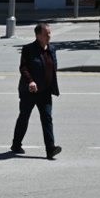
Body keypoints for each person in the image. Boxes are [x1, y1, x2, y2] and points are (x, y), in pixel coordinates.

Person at [12, 22, 60, 159]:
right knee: (24, 117)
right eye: (46, 34)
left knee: (47, 118)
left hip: (45, 91)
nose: (49, 36)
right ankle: (16, 144)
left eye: (50, 33)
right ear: (38, 35)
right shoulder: (28, 49)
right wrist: (31, 81)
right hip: (29, 92)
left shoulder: (52, 49)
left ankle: (50, 149)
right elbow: (24, 68)